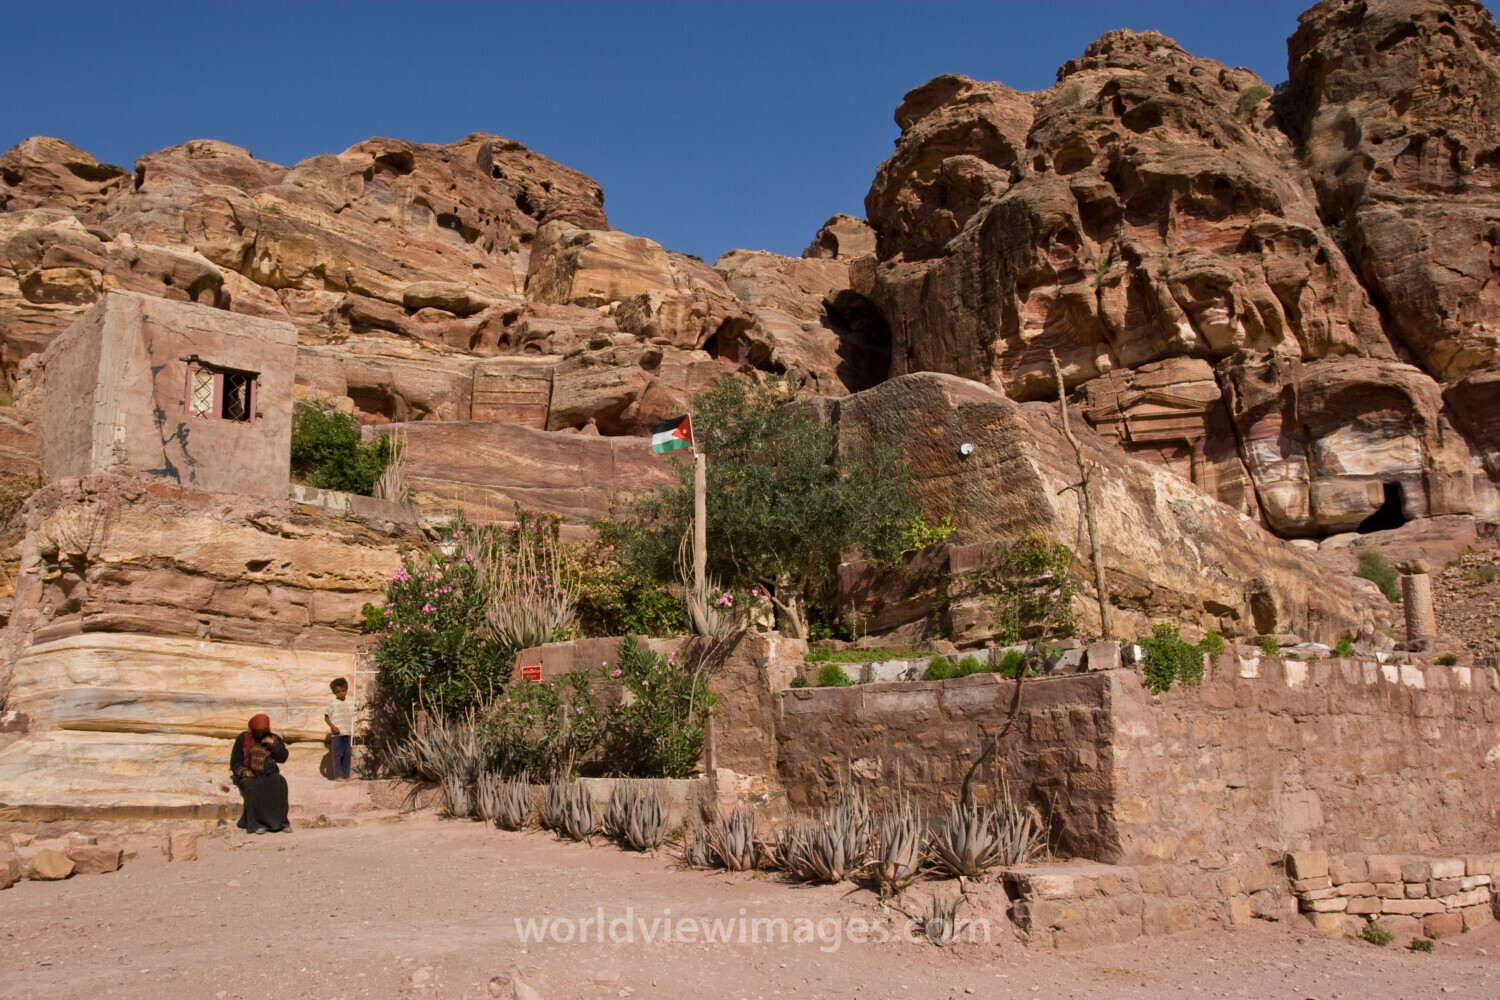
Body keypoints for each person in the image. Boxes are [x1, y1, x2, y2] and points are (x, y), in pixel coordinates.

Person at [230, 713, 290, 833]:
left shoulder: (275, 739)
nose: (261, 733)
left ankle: (280, 823)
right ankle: (257, 824)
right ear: (253, 730)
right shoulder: (243, 738)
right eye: (259, 731)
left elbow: (282, 758)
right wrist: (243, 771)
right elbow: (235, 761)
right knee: (253, 786)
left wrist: (274, 745)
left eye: (264, 730)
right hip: (250, 773)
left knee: (280, 783)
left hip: (269, 773)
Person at [324, 677, 356, 781]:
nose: (341, 693)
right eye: (338, 691)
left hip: (348, 732)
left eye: (343, 691)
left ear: (346, 690)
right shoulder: (332, 703)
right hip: (337, 734)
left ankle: (346, 775)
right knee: (337, 754)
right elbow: (326, 716)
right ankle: (338, 775)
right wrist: (333, 727)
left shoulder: (351, 701)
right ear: (334, 692)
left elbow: (361, 706)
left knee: (347, 754)